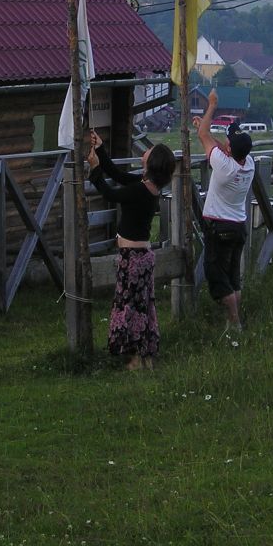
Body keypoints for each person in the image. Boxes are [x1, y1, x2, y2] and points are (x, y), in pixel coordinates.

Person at [87, 129, 175, 370]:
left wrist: (94, 170)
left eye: (149, 151)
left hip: (133, 258)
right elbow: (117, 174)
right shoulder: (146, 186)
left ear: (152, 162)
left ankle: (136, 358)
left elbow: (110, 193)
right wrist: (101, 149)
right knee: (143, 305)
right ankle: (146, 356)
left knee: (131, 306)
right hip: (141, 257)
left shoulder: (140, 190)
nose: (144, 152)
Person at [195, 89, 255, 329]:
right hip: (238, 227)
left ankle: (235, 322)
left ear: (229, 149)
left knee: (217, 276)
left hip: (219, 228)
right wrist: (208, 133)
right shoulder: (248, 164)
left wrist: (211, 105)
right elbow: (223, 149)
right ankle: (232, 324)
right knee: (233, 278)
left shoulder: (224, 167)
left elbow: (203, 137)